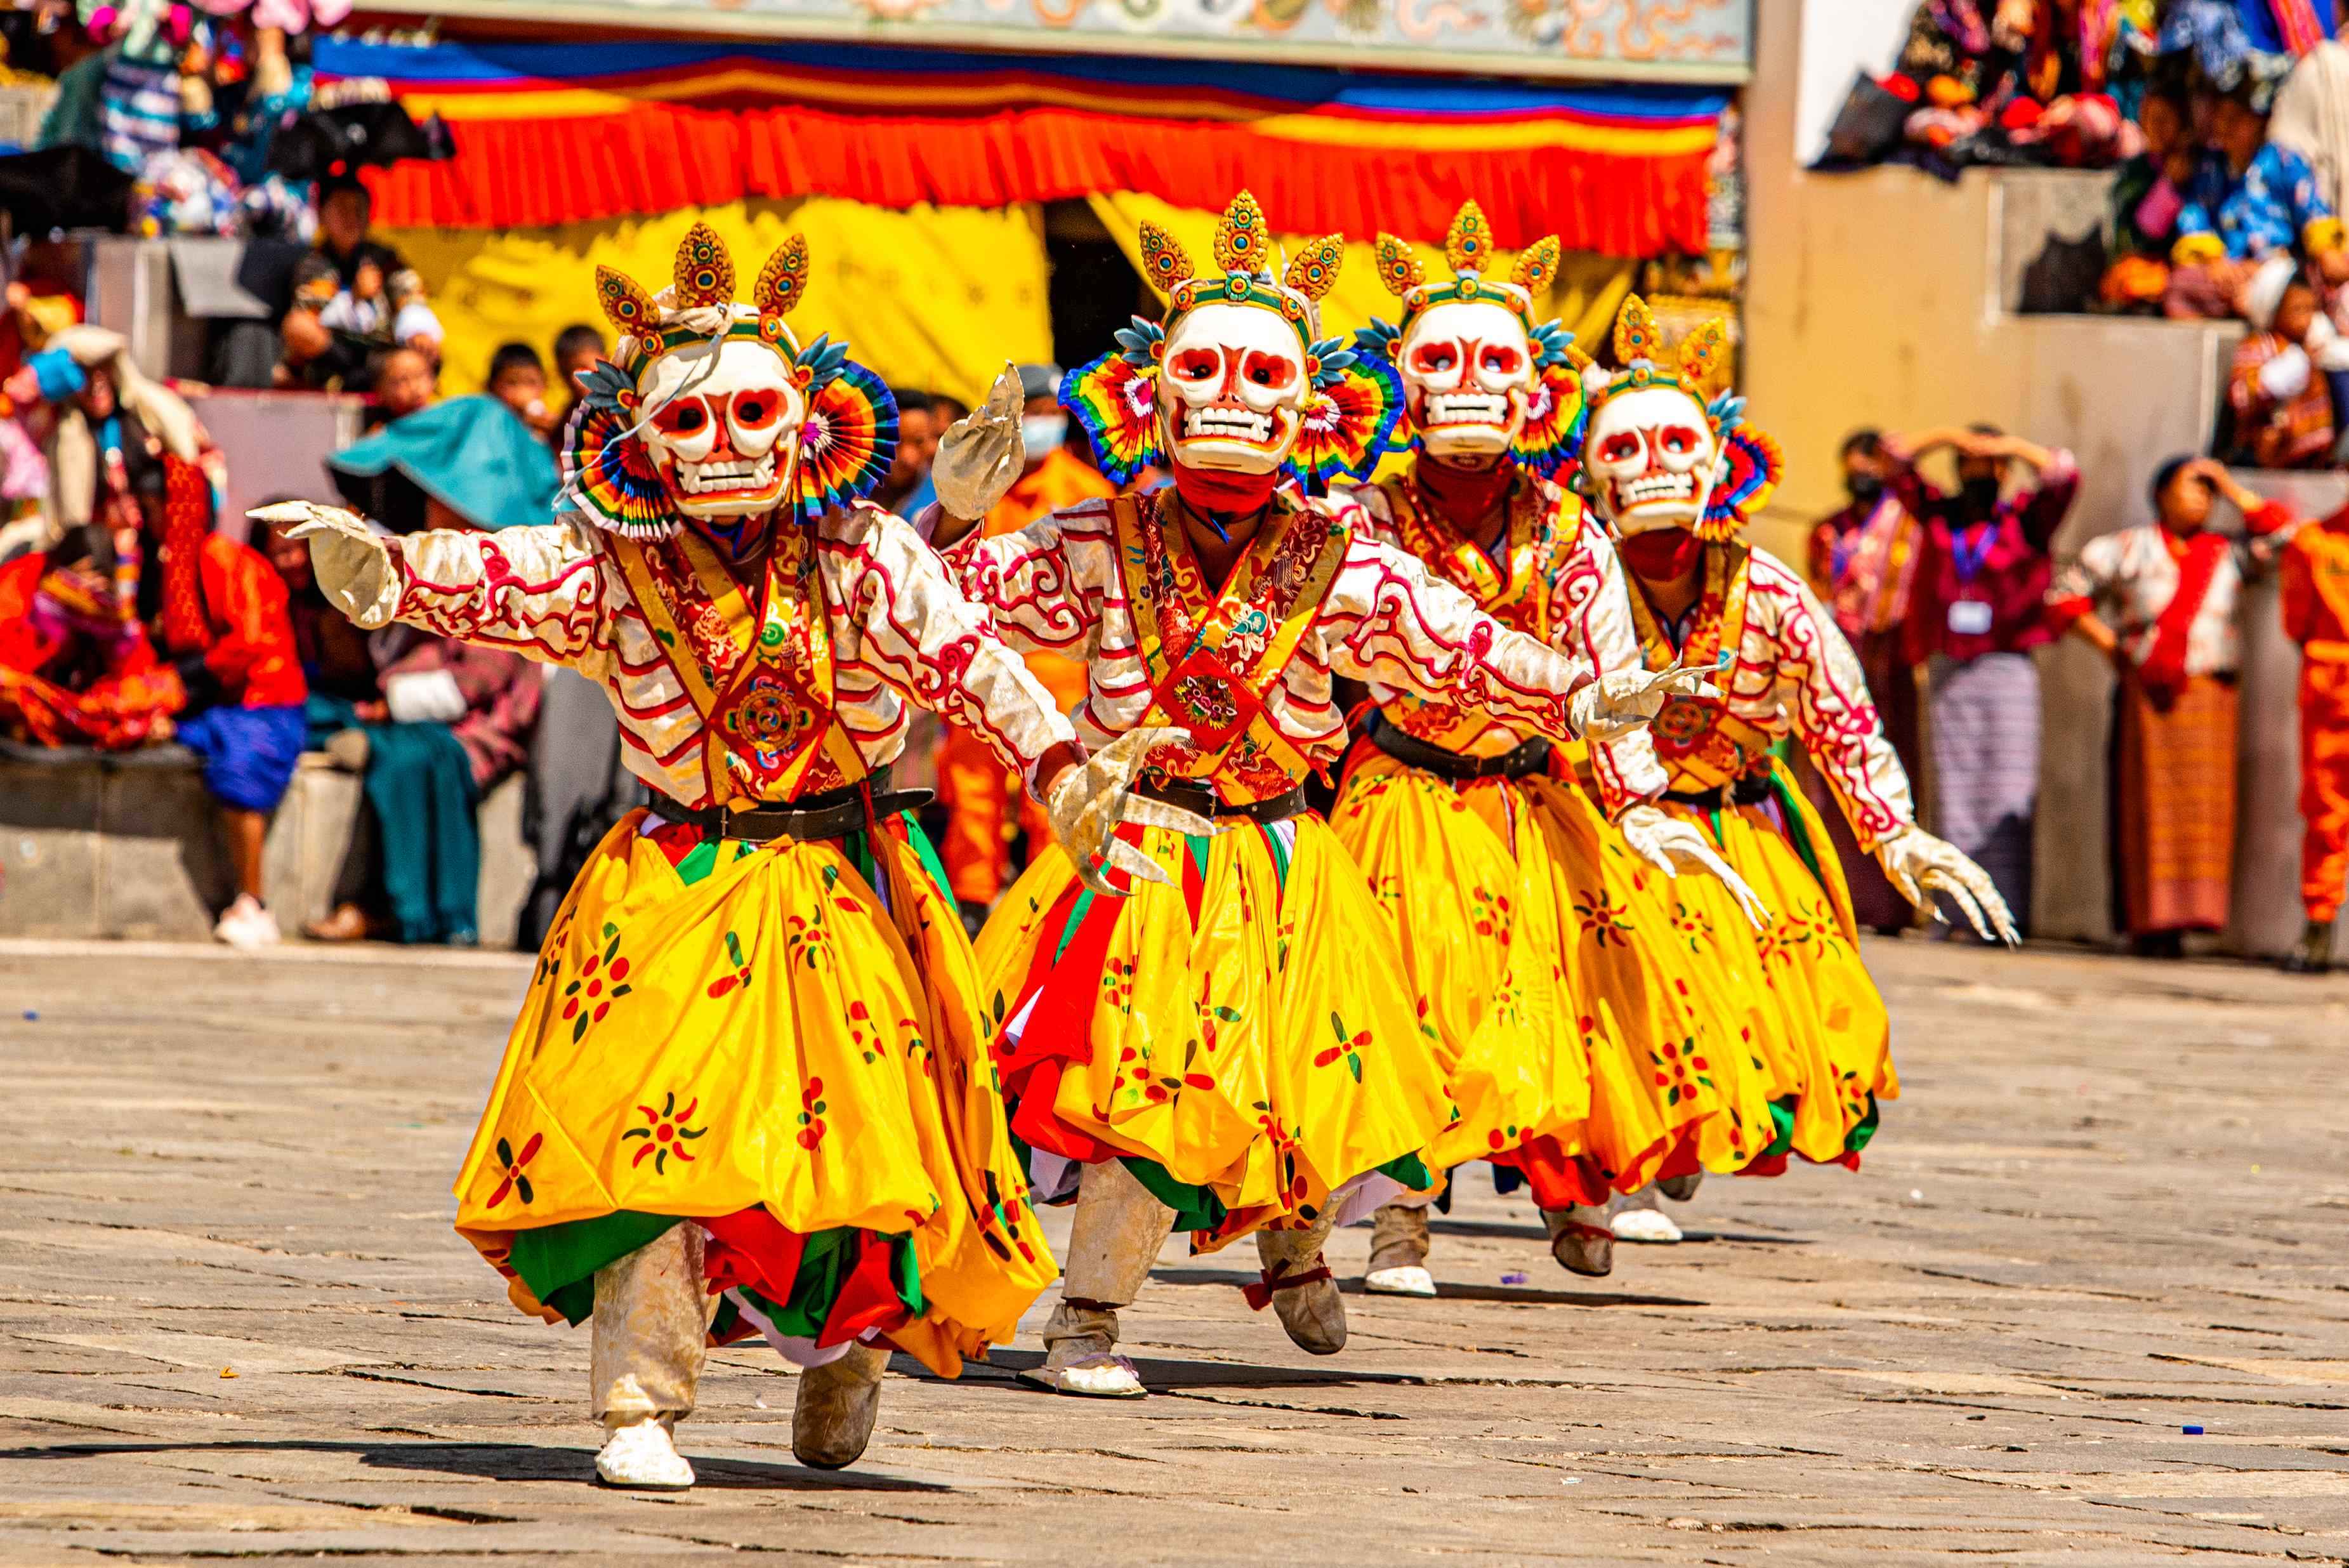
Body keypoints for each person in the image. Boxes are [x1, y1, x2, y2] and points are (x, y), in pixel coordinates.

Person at [265, 222, 1187, 1487]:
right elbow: (501, 574)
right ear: (639, 444)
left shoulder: (868, 555)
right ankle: (639, 1399)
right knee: (652, 1143)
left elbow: (972, 665)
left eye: (750, 411)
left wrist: (1063, 771)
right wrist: (384, 567)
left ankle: (849, 1350)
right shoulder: (613, 568)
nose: (723, 444)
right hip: (672, 884)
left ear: (806, 420)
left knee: (862, 1151)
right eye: (688, 422)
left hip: (842, 887)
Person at [926, 193, 1702, 1399]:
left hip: (1283, 861)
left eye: (1262, 375)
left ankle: (1293, 1244)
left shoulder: (1340, 557)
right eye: (1203, 372)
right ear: (1149, 397)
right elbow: (928, 618)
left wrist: (1582, 697)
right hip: (1140, 858)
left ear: (1313, 408)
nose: (1231, 399)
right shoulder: (1089, 539)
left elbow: (1457, 645)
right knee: (1144, 1090)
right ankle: (1086, 1317)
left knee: (1307, 1080)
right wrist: (949, 512)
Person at [1327, 202, 1771, 1291]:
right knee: (1414, 1000)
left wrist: (1642, 803)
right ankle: (1399, 1223)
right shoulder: (1361, 518)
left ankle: (1576, 1186)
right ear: (1401, 384)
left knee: (1578, 993)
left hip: (1534, 797)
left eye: (1495, 362)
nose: (1469, 384)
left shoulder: (1569, 529)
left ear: (1538, 391)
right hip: (1405, 793)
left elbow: (1612, 671)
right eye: (1441, 360)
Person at [1589, 296, 2015, 1218]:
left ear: (1723, 465)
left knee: (1770, 1003)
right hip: (1618, 830)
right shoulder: (1579, 590)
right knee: (1629, 989)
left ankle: (1692, 1132)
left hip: (1736, 825)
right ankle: (1628, 1165)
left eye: (1676, 445)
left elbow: (1840, 715)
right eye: (1625, 448)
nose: (1653, 470)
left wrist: (1893, 831)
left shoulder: (1772, 592)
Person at [297, 397, 562, 946]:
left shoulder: (506, 583)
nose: (431, 512)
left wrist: (388, 705)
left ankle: (406, 908)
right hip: (403, 715)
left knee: (405, 761)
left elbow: (474, 683)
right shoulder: (428, 565)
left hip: (472, 731)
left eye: (445, 501)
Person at [2048, 457, 2289, 956]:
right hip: (2150, 695)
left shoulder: (2229, 552)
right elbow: (2063, 596)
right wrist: (2112, 646)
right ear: (2160, 493)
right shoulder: (2128, 548)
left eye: (2208, 491)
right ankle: (2151, 922)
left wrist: (2233, 489)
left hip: (2210, 696)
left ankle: (2193, 916)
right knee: (2148, 810)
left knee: (2202, 813)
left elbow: (2289, 540)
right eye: (2191, 486)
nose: (2201, 498)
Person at [933, 362, 1112, 927]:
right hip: (978, 663)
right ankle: (971, 901)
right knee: (972, 788)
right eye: (1035, 414)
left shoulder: (1087, 492)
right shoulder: (979, 485)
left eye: (1053, 415)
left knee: (1058, 787)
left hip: (1060, 670)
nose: (1045, 424)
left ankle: (1050, 904)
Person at [1885, 421, 2078, 937]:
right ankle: (1955, 912)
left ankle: (2003, 914)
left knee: (2010, 792)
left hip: (2007, 667)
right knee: (1954, 792)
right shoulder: (1939, 515)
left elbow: (2064, 475)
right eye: (1970, 463)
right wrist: (1948, 436)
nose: (1981, 472)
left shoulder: (2026, 519)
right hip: (1952, 667)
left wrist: (2010, 445)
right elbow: (1894, 459)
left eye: (1991, 465)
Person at [1806, 429, 1925, 935]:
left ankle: (1893, 906)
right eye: (1855, 464)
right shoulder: (1827, 530)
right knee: (1836, 777)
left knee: (1889, 774)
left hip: (1890, 665)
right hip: (1838, 661)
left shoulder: (1910, 527)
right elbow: (1818, 589)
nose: (1863, 473)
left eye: (1872, 464)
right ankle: (1844, 896)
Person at [0, 520, 181, 750]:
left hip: (78, 701)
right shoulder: (22, 587)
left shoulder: (109, 616)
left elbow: (137, 669)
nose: (87, 594)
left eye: (98, 586)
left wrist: (150, 715)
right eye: (80, 581)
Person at [2280, 495, 2349, 973]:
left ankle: (2319, 928)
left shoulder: (2314, 541)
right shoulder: (2312, 542)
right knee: (2326, 807)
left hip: (2330, 681)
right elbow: (2298, 623)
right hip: (2332, 687)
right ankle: (2319, 924)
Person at [282, 181, 436, 392]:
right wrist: (354, 298)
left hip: (381, 352)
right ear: (322, 215)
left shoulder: (384, 258)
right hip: (335, 354)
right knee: (298, 326)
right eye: (342, 209)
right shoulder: (314, 262)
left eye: (359, 209)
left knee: (423, 344)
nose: (352, 217)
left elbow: (409, 294)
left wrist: (418, 330)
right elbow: (311, 316)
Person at [2230, 262, 2336, 468]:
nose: (2306, 320)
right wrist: (2298, 363)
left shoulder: (2310, 345)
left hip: (2311, 459)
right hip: (2268, 457)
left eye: (2311, 309)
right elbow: (2242, 395)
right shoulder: (2258, 345)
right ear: (2274, 309)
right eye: (2297, 310)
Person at [874, 386, 938, 518]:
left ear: (934, 441)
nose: (907, 456)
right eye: (896, 441)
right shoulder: (849, 494)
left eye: (919, 442)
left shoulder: (942, 507)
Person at [549, 323, 604, 445]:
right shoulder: (569, 418)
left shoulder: (627, 402)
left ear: (606, 360)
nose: (575, 381)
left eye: (583, 369)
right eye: (566, 373)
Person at [487, 341, 553, 441]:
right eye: (512, 383)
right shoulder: (487, 422)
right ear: (491, 387)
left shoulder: (548, 424)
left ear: (544, 384)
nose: (522, 391)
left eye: (531, 382)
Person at [364, 345, 437, 432]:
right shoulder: (379, 433)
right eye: (403, 379)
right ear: (380, 389)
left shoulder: (444, 422)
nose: (414, 387)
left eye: (420, 375)